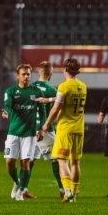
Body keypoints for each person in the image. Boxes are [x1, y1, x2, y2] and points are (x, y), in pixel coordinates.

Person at [40, 58, 87, 203]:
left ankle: (67, 191)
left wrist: (47, 124)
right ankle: (74, 192)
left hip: (65, 129)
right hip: (79, 128)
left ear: (65, 69)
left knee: (62, 161)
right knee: (76, 162)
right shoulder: (83, 86)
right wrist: (49, 100)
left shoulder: (64, 86)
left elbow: (57, 108)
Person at [2, 64, 44, 201]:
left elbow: (42, 111)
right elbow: (7, 105)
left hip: (29, 133)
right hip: (13, 132)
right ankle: (17, 182)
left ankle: (20, 191)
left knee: (25, 163)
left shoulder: (36, 92)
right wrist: (7, 111)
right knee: (9, 162)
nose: (26, 76)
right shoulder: (11, 91)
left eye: (28, 74)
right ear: (18, 76)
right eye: (23, 74)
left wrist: (41, 128)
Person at [32, 61, 64, 198]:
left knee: (29, 160)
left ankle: (20, 189)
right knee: (57, 158)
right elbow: (57, 109)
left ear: (39, 72)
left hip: (31, 129)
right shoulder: (53, 90)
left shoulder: (31, 88)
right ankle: (63, 190)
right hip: (46, 129)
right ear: (50, 73)